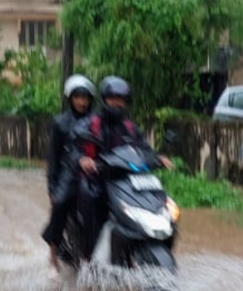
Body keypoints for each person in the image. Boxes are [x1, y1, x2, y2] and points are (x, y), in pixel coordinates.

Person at [72, 77, 173, 260]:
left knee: (161, 203)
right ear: (104, 99)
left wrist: (157, 157)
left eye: (122, 99)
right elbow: (74, 148)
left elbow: (143, 148)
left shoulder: (129, 127)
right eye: (113, 98)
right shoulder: (90, 124)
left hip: (126, 180)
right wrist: (82, 159)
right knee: (90, 197)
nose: (117, 103)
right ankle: (87, 255)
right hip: (97, 178)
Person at [41, 75, 96, 268]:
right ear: (70, 98)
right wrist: (52, 189)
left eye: (86, 97)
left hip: (95, 171)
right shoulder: (61, 123)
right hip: (69, 173)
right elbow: (54, 158)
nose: (82, 102)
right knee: (60, 203)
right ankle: (53, 257)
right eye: (78, 97)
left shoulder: (97, 121)